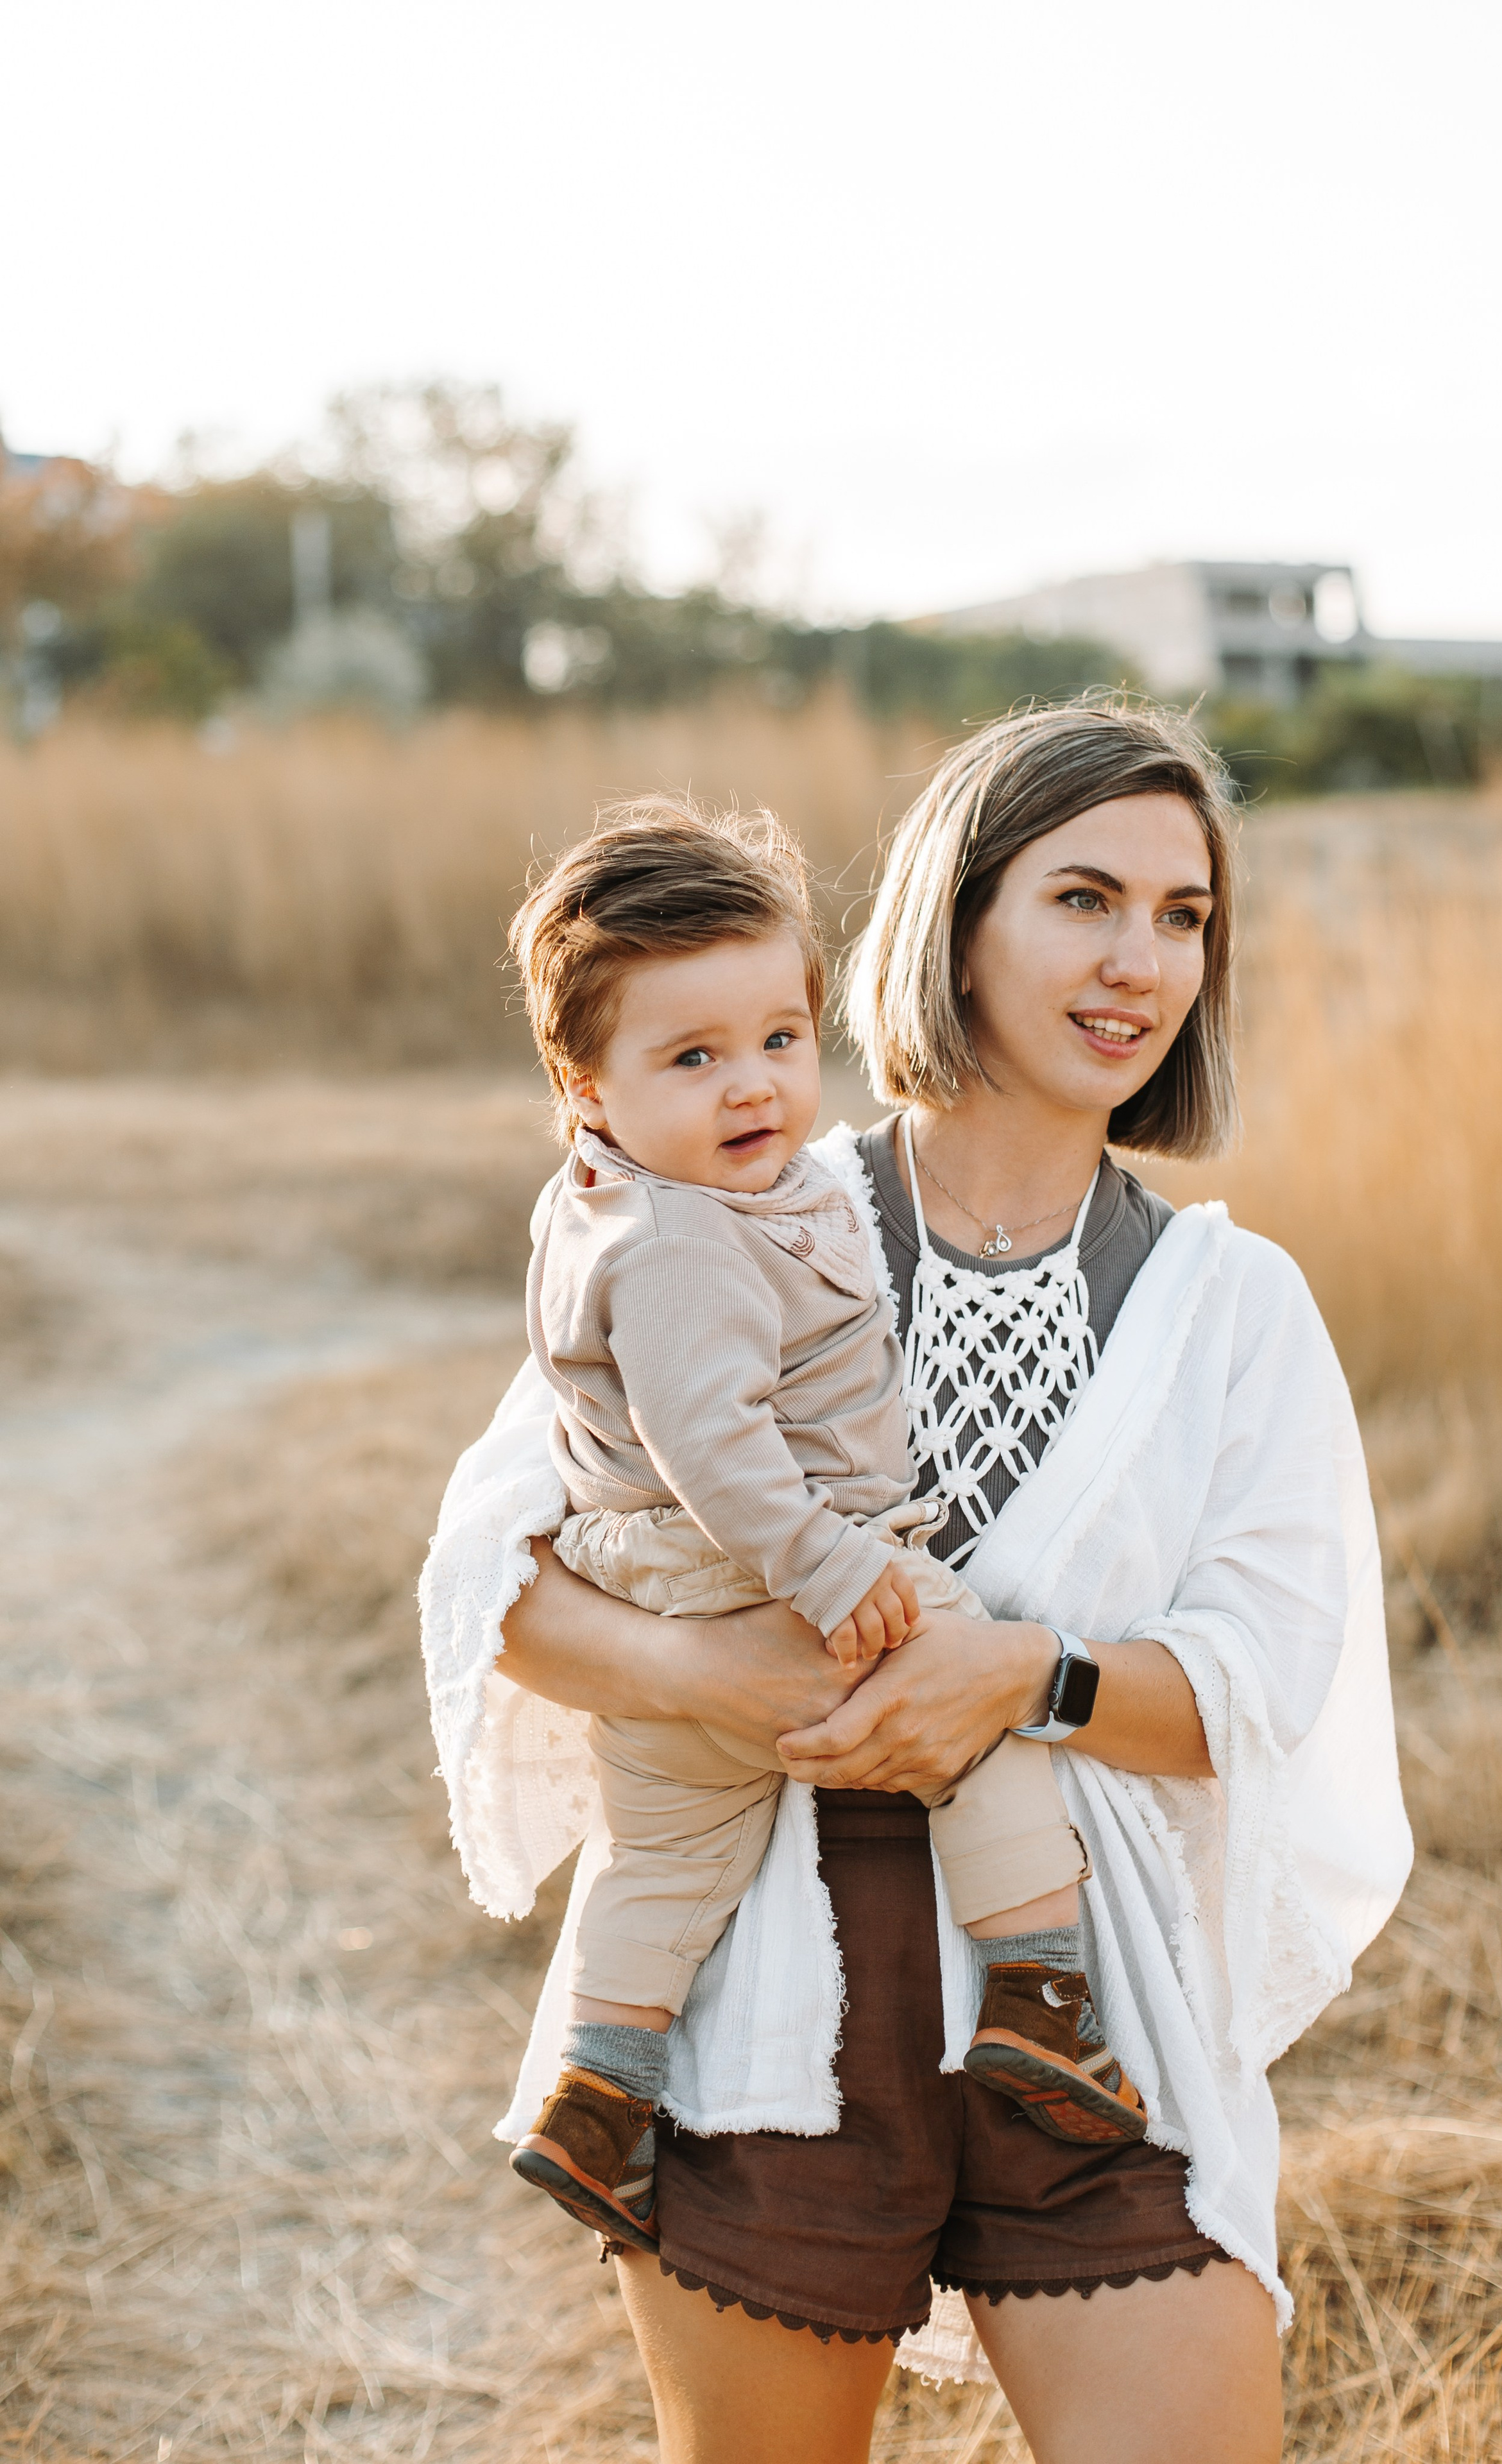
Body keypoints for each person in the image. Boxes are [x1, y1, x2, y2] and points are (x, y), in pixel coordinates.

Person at [419, 697, 1412, 2464]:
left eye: (1186, 917)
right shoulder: (722, 1199)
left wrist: (1023, 1679)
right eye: (1085, 898)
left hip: (1082, 2015)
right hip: (770, 1996)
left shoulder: (1230, 1305)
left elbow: (1260, 1695)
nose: (1141, 962)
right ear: (958, 919)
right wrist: (721, 1686)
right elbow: (498, 1576)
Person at [499, 804, 1143, 2252]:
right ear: (582, 1082)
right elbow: (716, 1447)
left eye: (780, 1041)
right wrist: (837, 1567)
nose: (754, 1089)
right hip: (750, 1561)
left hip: (655, 1589)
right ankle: (1041, 1991)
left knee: (666, 1860)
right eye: (691, 1058)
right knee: (969, 1706)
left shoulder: (619, 1199)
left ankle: (599, 2095)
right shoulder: (679, 1244)